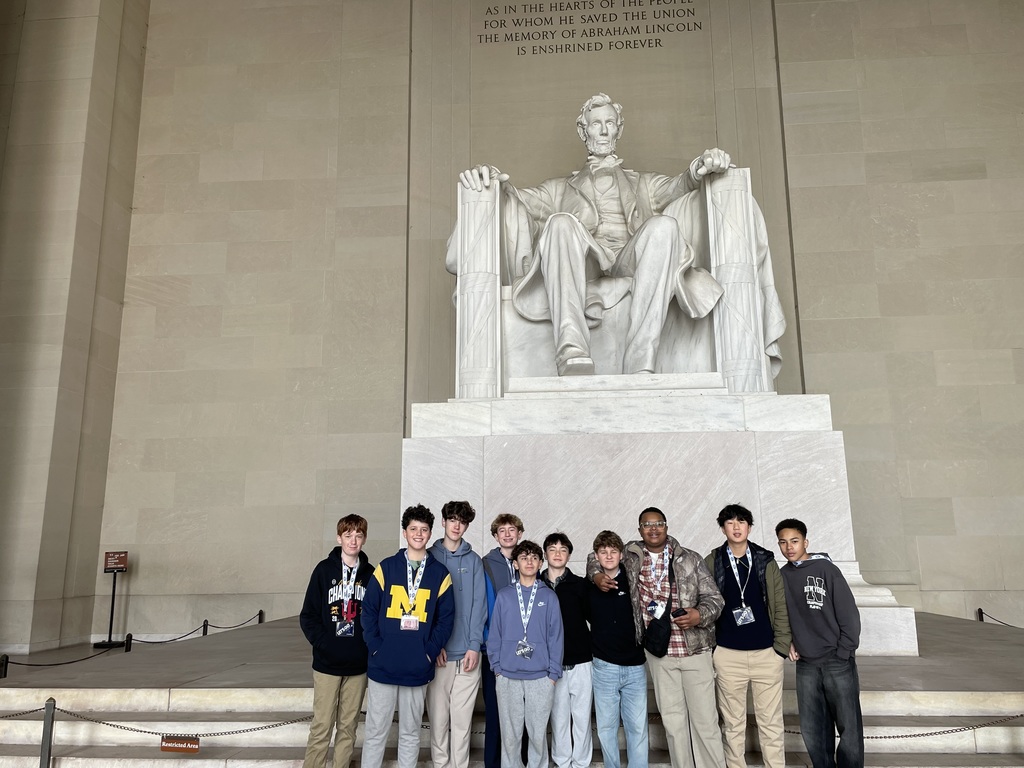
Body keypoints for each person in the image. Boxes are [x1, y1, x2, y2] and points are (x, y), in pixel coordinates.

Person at [454, 92, 784, 377]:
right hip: (584, 259)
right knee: (559, 223)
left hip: (629, 258)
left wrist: (701, 165)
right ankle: (571, 348)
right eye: (596, 123)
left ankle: (640, 358)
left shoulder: (643, 183)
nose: (603, 130)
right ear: (583, 131)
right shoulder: (558, 189)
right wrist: (492, 180)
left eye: (610, 123)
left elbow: (681, 184)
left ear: (619, 129)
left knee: (664, 226)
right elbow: (518, 199)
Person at [592, 507, 724, 768]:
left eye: (659, 523)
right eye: (647, 524)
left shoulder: (690, 558)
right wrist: (596, 575)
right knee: (674, 724)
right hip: (659, 654)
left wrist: (699, 615)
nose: (653, 528)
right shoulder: (630, 555)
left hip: (694, 650)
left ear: (667, 526)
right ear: (639, 529)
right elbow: (596, 556)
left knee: (705, 723)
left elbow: (716, 600)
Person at [360, 504, 455, 768]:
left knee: (411, 732)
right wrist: (376, 647)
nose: (418, 533)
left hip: (417, 665)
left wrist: (429, 651)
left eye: (424, 529)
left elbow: (445, 620)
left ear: (430, 533)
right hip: (383, 664)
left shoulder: (439, 574)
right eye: (413, 528)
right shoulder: (386, 568)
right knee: (376, 731)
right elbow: (368, 611)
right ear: (404, 533)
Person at [704, 505, 791, 768]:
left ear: (749, 527)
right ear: (723, 528)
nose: (736, 526)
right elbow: (705, 603)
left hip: (767, 654)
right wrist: (714, 649)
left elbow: (780, 605)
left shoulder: (765, 560)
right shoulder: (713, 561)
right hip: (728, 655)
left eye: (742, 521)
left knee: (771, 723)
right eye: (730, 522)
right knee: (733, 725)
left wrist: (781, 647)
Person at [776, 519, 863, 768]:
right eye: (783, 542)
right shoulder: (783, 576)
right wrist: (790, 642)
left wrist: (844, 651)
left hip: (837, 660)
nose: (789, 547)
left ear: (806, 542)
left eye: (794, 541)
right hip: (806, 664)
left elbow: (849, 615)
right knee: (814, 730)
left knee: (849, 729)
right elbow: (782, 614)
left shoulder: (827, 570)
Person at [299, 515, 375, 768]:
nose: (353, 540)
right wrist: (324, 644)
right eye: (348, 535)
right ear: (339, 537)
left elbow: (375, 617)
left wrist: (367, 647)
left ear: (364, 539)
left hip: (357, 665)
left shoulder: (371, 574)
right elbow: (308, 615)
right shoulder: (323, 570)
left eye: (358, 535)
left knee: (348, 727)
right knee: (321, 725)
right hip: (327, 663)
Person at [489, 540, 564, 768]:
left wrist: (553, 674)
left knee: (537, 733)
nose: (529, 562)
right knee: (510, 736)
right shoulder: (504, 595)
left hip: (541, 677)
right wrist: (497, 668)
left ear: (540, 563)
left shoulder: (549, 596)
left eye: (534, 558)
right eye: (524, 558)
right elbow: (495, 634)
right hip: (508, 675)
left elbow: (556, 635)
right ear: (515, 563)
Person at [427, 500, 487, 768]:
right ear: (443, 522)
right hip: (438, 654)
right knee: (439, 721)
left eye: (462, 521)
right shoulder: (428, 557)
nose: (457, 525)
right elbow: (425, 608)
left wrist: (474, 645)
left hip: (468, 655)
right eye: (452, 519)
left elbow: (479, 606)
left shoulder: (473, 561)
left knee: (462, 723)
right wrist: (434, 644)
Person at [587, 530, 648, 768]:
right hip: (604, 666)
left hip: (635, 665)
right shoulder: (589, 585)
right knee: (606, 727)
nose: (609, 556)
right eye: (603, 552)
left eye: (613, 551)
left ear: (621, 555)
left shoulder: (634, 581)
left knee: (637, 727)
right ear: (596, 556)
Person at [541, 533, 594, 768]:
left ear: (569, 555)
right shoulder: (536, 584)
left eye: (563, 549)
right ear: (545, 555)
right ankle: (562, 762)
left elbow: (593, 619)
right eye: (552, 549)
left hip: (581, 660)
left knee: (582, 718)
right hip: (550, 665)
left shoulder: (581, 585)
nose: (558, 553)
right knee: (559, 718)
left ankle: (581, 763)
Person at [481, 513, 526, 768]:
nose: (507, 534)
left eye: (512, 529)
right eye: (502, 530)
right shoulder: (486, 564)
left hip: (524, 652)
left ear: (519, 533)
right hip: (495, 652)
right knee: (496, 714)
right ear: (496, 535)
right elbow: (485, 607)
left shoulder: (529, 561)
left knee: (522, 713)